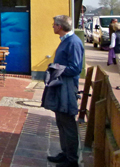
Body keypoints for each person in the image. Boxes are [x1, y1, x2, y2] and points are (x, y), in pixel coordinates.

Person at [42, 15, 84, 167]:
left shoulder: (73, 42)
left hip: (67, 87)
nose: (53, 26)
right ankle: (65, 153)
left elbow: (75, 68)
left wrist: (55, 68)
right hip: (60, 85)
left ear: (60, 26)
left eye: (54, 24)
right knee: (61, 121)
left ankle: (72, 160)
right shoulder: (65, 41)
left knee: (67, 123)